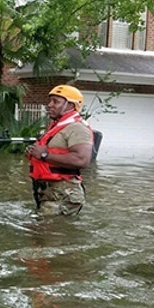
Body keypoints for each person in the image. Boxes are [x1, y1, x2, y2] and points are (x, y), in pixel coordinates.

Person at [25, 84, 93, 216]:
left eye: (56, 101)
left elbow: (82, 160)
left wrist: (44, 154)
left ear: (70, 105)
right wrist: (33, 153)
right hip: (48, 191)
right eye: (50, 101)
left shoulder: (77, 128)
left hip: (64, 193)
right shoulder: (56, 127)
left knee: (48, 233)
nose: (49, 105)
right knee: (41, 233)